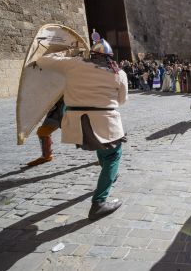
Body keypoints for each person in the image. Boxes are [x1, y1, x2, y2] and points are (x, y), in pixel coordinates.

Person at [36, 36, 128, 221]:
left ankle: (108, 176)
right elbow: (121, 100)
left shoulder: (74, 64)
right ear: (110, 56)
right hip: (105, 121)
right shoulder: (119, 73)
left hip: (78, 122)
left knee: (104, 149)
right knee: (113, 155)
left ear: (91, 54)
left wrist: (66, 52)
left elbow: (42, 60)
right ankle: (99, 203)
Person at [26, 97, 65, 167]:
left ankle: (92, 156)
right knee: (43, 131)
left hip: (76, 107)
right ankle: (46, 156)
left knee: (87, 129)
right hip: (57, 109)